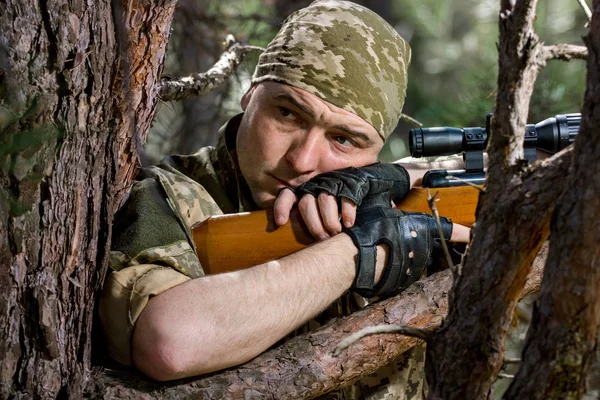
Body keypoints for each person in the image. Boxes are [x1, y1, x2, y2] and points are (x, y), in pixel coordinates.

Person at [99, 1, 469, 398]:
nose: (302, 160)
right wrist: (359, 252)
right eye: (289, 114)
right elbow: (168, 343)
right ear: (249, 95)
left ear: (372, 156)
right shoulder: (170, 197)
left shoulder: (398, 205)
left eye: (342, 140)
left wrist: (399, 176)